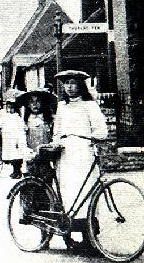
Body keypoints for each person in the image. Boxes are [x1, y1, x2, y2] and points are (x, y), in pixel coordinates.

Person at [52, 70, 107, 251]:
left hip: (84, 155)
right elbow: (57, 132)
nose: (69, 87)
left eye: (73, 83)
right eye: (66, 83)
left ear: (80, 85)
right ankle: (67, 235)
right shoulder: (62, 106)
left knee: (86, 194)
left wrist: (89, 137)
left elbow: (101, 131)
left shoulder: (90, 106)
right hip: (66, 157)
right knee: (68, 196)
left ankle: (89, 237)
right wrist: (57, 142)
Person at [18, 89, 56, 181]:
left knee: (45, 186)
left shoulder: (49, 121)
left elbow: (54, 137)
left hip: (46, 160)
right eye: (32, 101)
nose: (35, 104)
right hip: (31, 160)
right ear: (28, 104)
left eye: (38, 101)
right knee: (30, 185)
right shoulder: (25, 122)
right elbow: (21, 141)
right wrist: (27, 152)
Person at [0, 91, 26, 179]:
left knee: (17, 156)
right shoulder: (5, 116)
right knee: (11, 156)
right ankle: (14, 171)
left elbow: (21, 128)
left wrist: (19, 139)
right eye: (8, 105)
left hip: (15, 139)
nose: (9, 107)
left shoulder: (17, 117)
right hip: (7, 139)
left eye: (11, 106)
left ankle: (17, 171)